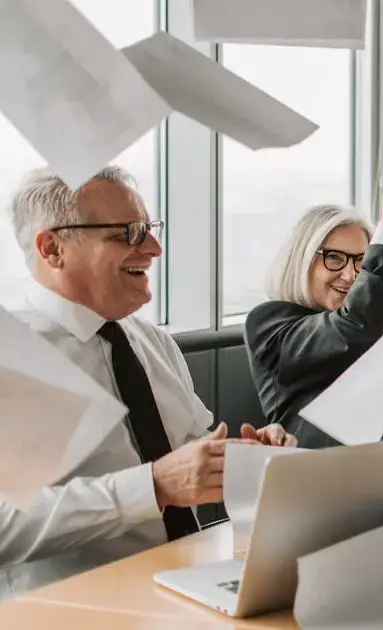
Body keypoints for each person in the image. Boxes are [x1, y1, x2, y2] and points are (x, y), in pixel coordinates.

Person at [1, 166, 294, 600]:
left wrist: (246, 461)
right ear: (52, 248)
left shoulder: (151, 340)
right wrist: (153, 487)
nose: (154, 248)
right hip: (72, 608)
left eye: (150, 229)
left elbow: (191, 459)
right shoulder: (15, 356)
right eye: (128, 233)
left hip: (186, 586)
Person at [244, 145, 383, 448]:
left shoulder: (375, 316)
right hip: (339, 484)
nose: (351, 275)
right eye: (335, 258)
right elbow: (352, 328)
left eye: (361, 261)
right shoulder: (270, 324)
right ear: (301, 260)